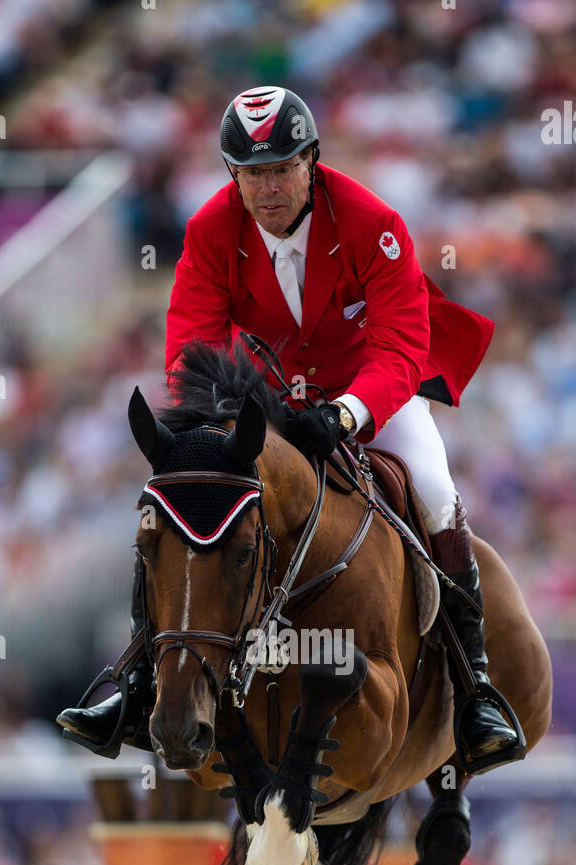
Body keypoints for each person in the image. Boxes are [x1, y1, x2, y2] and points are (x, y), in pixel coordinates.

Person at [58, 85, 521, 771]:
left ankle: (474, 683)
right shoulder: (212, 229)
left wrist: (345, 414)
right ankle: (135, 681)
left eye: (281, 168)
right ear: (232, 176)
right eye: (251, 173)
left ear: (312, 162)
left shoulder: (373, 222)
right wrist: (215, 423)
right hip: (266, 403)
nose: (267, 187)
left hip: (370, 396)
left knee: (432, 485)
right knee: (177, 504)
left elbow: (399, 347)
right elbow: (193, 347)